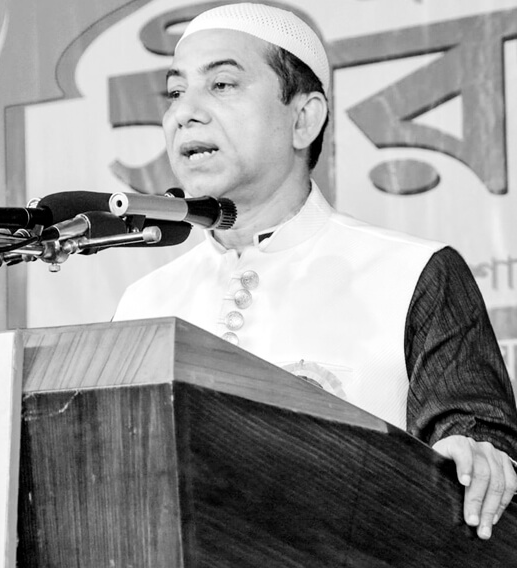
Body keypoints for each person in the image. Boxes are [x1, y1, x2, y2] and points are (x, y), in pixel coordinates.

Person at [113, 2, 517, 539]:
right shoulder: (143, 303)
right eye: (175, 91)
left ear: (303, 118)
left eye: (222, 84)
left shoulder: (413, 272)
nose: (185, 112)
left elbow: (474, 439)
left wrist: (476, 456)